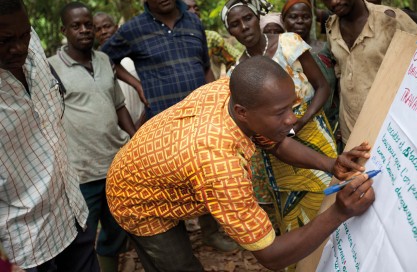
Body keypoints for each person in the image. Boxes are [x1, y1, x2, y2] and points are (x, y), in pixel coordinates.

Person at [106, 56, 375, 271]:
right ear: (242, 113)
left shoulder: (233, 91)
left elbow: (278, 143)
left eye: (291, 108)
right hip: (134, 198)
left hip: (152, 164)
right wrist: (339, 213)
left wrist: (331, 165)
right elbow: (270, 255)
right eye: (280, 113)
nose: (292, 120)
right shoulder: (220, 164)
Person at [222, 0, 337, 250]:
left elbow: (322, 86)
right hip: (277, 152)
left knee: (327, 200)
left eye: (248, 18)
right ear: (230, 32)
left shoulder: (289, 43)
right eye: (236, 24)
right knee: (295, 216)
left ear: (257, 18)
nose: (245, 27)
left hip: (313, 134)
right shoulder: (236, 73)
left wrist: (302, 120)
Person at [0, 0, 99, 271]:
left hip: (71, 215)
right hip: (24, 245)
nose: (19, 47)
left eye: (24, 34)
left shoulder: (33, 47)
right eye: (5, 41)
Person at [48, 2, 136, 272]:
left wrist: (135, 140)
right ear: (64, 30)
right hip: (81, 172)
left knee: (118, 228)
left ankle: (108, 265)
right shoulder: (51, 68)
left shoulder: (104, 60)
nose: (85, 30)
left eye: (88, 24)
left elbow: (119, 105)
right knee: (81, 237)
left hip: (116, 163)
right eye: (76, 26)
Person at [317, 0, 417, 145]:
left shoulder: (390, 19)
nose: (334, 1)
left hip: (392, 132)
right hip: (352, 135)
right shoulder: (331, 27)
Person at [101, 0, 214, 120]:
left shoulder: (194, 22)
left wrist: (215, 104)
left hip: (202, 116)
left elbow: (206, 67)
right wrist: (137, 85)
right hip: (163, 122)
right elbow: (104, 58)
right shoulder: (133, 29)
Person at [281, 0, 339, 140]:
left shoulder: (325, 48)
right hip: (295, 128)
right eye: (293, 17)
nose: (300, 21)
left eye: (305, 17)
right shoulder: (278, 53)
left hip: (333, 123)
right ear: (284, 20)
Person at [93, 11, 145, 127]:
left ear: (116, 27)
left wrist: (142, 121)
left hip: (144, 123)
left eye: (107, 26)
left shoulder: (135, 56)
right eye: (98, 29)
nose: (103, 32)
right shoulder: (93, 63)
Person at [182, 0, 241, 80]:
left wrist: (226, 83)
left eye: (196, 8)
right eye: (187, 9)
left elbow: (237, 59)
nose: (194, 11)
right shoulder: (172, 41)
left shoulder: (210, 37)